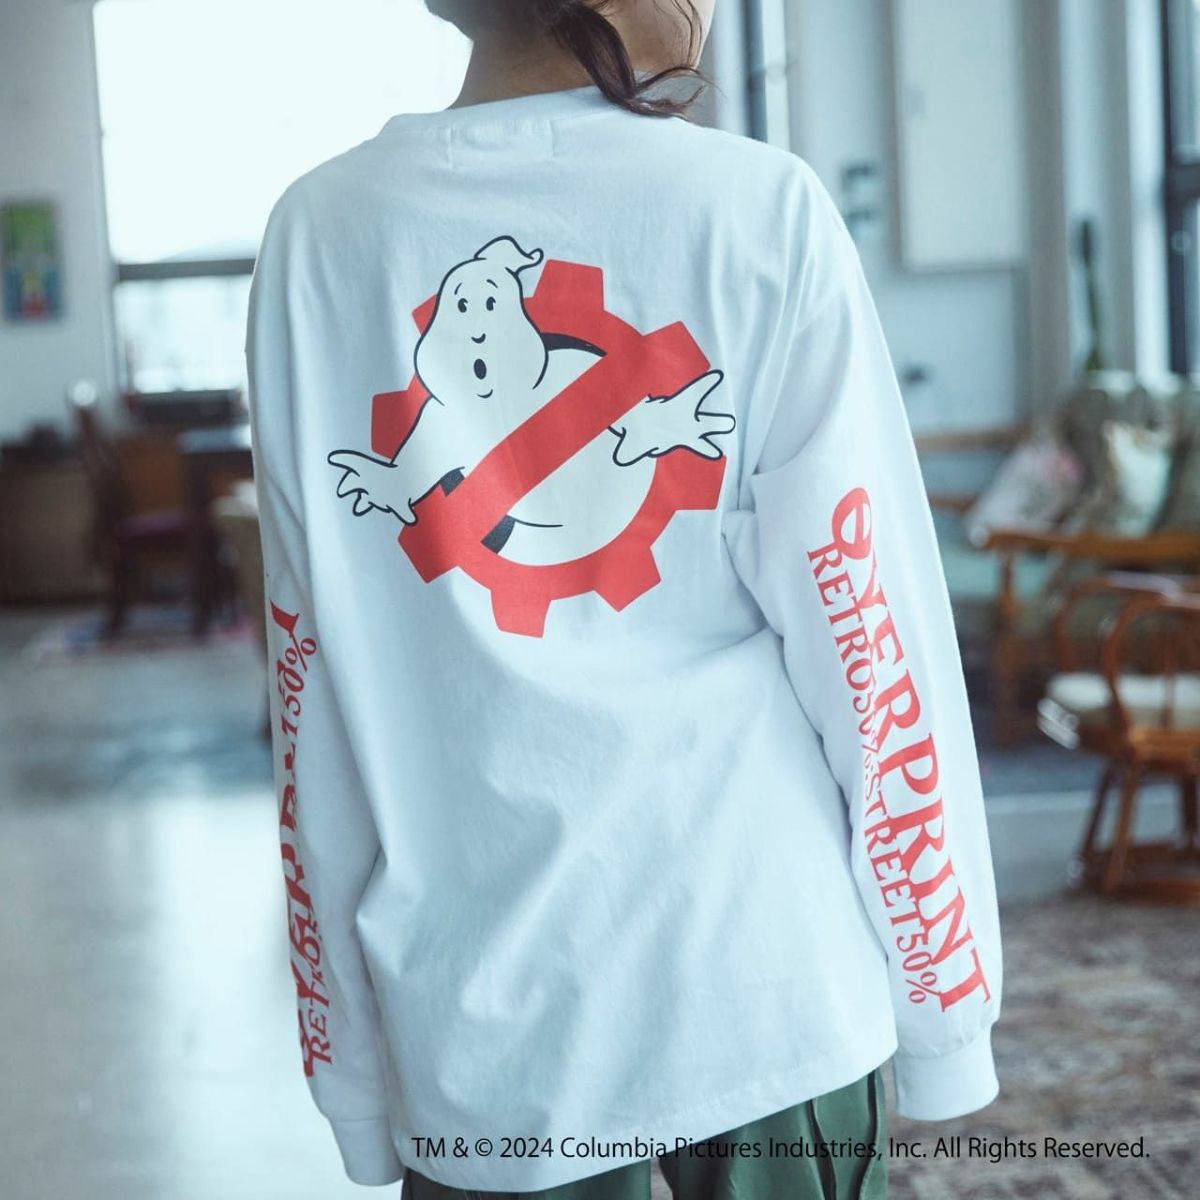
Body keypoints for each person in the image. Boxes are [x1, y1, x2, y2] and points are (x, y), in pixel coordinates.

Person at [244, 2, 1004, 1197]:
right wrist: (946, 1018)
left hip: (485, 1047)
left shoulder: (316, 237)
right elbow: (871, 648)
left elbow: (310, 694)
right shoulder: (757, 211)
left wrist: (349, 1075)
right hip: (763, 996)